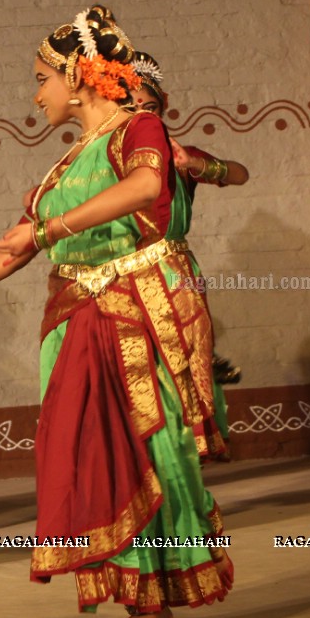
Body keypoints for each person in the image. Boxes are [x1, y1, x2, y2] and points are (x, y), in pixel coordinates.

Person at [0, 9, 232, 618]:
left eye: (41, 77)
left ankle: (157, 597)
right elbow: (17, 249)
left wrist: (46, 229)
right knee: (89, 451)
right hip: (77, 320)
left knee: (149, 449)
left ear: (77, 78)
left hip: (131, 313)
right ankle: (139, 599)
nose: (35, 92)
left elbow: (147, 186)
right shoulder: (66, 166)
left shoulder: (138, 129)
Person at [132, 51, 249, 459]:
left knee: (183, 360)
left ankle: (184, 448)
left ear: (162, 107)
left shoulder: (178, 155)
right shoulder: (108, 158)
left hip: (174, 268)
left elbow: (238, 173)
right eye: (132, 107)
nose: (142, 115)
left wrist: (194, 163)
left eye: (150, 107)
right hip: (123, 275)